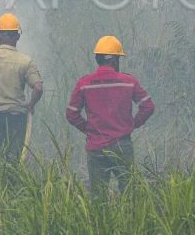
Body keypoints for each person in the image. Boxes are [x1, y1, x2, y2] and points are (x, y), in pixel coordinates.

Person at [66, 35, 154, 196]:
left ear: (97, 58)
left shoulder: (84, 83)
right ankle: (130, 220)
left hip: (96, 147)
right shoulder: (129, 81)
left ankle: (99, 221)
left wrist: (89, 130)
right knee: (129, 194)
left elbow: (71, 114)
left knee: (98, 196)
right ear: (114, 60)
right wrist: (133, 124)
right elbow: (148, 106)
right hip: (122, 145)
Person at [0, 13, 43, 161]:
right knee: (14, 159)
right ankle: (13, 183)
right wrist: (31, 105)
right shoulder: (25, 61)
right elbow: (38, 87)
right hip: (16, 117)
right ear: (17, 36)